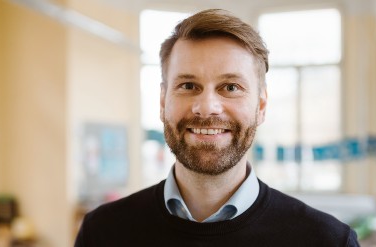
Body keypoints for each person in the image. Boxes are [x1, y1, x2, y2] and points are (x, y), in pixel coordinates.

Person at [75, 9, 360, 246]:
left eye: (231, 87)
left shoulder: (328, 241)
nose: (207, 107)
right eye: (188, 86)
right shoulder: (102, 232)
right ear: (163, 102)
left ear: (261, 106)